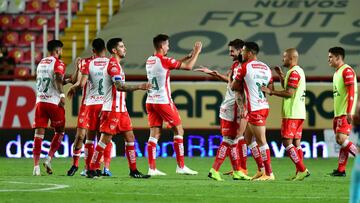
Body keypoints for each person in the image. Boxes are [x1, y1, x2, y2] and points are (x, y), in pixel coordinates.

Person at [87, 37, 151, 178]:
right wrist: (139, 86)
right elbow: (119, 87)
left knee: (130, 137)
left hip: (121, 109)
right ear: (114, 50)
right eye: (122, 46)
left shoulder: (117, 65)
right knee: (105, 140)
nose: (125, 48)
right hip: (112, 109)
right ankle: (91, 168)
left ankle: (133, 170)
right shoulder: (113, 66)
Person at [194, 39, 251, 181]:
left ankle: (238, 171)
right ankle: (214, 169)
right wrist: (243, 107)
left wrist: (214, 73)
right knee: (230, 140)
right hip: (232, 108)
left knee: (233, 140)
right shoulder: (240, 66)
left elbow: (230, 82)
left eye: (232, 51)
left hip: (230, 107)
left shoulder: (238, 65)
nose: (230, 53)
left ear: (240, 50)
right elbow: (236, 89)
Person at [145, 34, 202, 176]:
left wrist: (187, 56)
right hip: (163, 101)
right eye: (167, 45)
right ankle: (180, 166)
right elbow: (188, 67)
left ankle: (151, 168)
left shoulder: (150, 60)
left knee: (155, 134)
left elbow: (169, 65)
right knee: (179, 131)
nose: (168, 47)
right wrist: (196, 53)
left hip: (151, 101)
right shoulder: (164, 60)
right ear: (161, 46)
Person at [261, 48, 310, 181]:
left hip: (292, 112)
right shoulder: (297, 71)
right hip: (299, 112)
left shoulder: (294, 73)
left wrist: (271, 92)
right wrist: (281, 75)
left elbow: (289, 93)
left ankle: (302, 169)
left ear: (291, 58)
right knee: (296, 142)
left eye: (284, 57)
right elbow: (288, 87)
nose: (282, 59)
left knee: (286, 142)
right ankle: (299, 172)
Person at [66, 38, 113, 176]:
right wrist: (76, 67)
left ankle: (101, 168)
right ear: (103, 49)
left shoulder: (110, 63)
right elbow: (77, 80)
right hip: (88, 104)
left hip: (103, 104)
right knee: (82, 136)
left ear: (94, 50)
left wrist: (73, 88)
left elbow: (78, 83)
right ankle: (77, 164)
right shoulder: (86, 62)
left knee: (100, 136)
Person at [231, 42, 275, 181]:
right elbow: (270, 88)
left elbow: (233, 86)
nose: (241, 54)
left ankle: (269, 173)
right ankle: (261, 170)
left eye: (243, 51)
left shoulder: (244, 67)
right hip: (262, 105)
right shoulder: (266, 68)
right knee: (248, 139)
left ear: (249, 53)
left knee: (262, 141)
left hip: (255, 108)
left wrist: (240, 82)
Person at [32, 40, 67, 176]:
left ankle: (36, 167)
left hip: (40, 101)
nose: (62, 53)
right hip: (53, 102)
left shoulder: (41, 62)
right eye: (61, 50)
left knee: (38, 134)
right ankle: (48, 158)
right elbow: (58, 78)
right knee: (60, 131)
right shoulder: (58, 63)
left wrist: (65, 80)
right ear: (58, 50)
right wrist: (62, 94)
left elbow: (52, 79)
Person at [327, 47, 358, 176]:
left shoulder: (347, 71)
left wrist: (350, 111)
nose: (328, 59)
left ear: (338, 57)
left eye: (330, 57)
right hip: (338, 112)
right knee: (342, 140)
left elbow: (351, 91)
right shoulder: (337, 72)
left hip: (346, 112)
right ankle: (341, 170)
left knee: (341, 139)